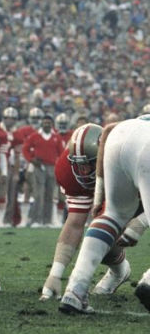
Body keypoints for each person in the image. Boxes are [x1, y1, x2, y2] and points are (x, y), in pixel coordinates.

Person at [59, 117, 150, 314]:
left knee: (111, 216)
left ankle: (75, 291)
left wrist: (99, 192)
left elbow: (108, 130)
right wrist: (140, 224)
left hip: (119, 135)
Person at [39, 124, 130, 302]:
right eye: (78, 164)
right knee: (101, 238)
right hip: (106, 182)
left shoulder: (119, 161)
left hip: (125, 188)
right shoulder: (66, 169)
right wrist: (55, 275)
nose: (84, 171)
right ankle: (120, 271)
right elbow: (74, 223)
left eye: (89, 163)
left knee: (104, 233)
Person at [22, 115, 64, 227]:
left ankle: (47, 221)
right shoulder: (35, 136)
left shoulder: (57, 137)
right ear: (42, 123)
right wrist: (31, 159)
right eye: (45, 122)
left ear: (52, 124)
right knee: (38, 194)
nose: (47, 124)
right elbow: (25, 149)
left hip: (52, 167)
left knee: (50, 195)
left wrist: (58, 166)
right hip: (39, 166)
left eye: (49, 123)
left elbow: (62, 153)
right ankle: (36, 220)